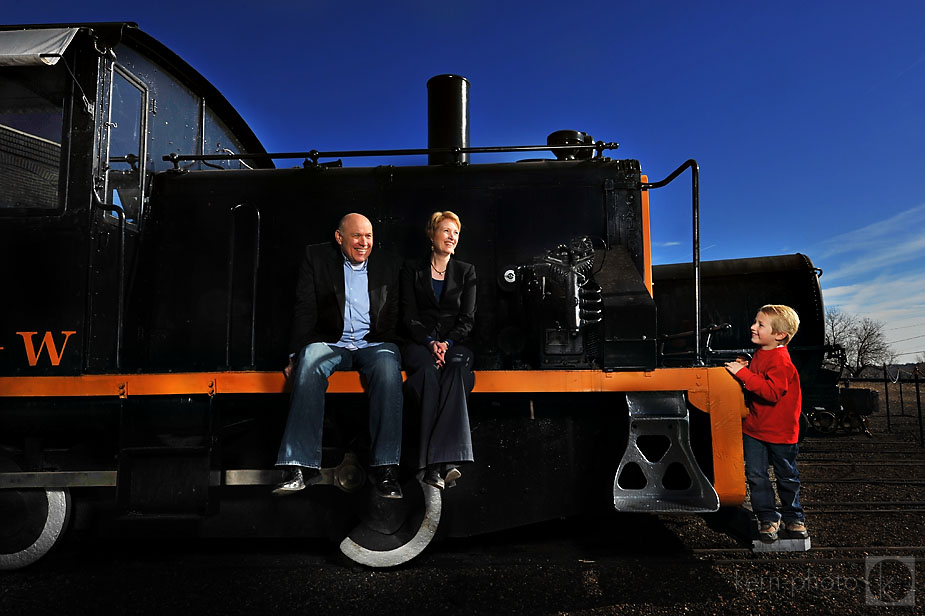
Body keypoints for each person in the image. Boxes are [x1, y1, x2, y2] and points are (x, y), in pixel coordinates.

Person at [274, 213, 404, 499]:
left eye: (369, 236)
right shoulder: (317, 257)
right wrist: (296, 353)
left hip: (372, 344)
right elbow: (305, 307)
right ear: (339, 237)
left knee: (387, 365)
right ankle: (299, 467)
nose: (364, 242)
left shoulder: (388, 263)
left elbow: (393, 312)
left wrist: (390, 343)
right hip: (332, 342)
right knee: (309, 360)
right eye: (357, 236)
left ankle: (386, 470)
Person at [400, 211, 476, 489]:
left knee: (456, 371)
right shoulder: (413, 269)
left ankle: (433, 466)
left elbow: (467, 319)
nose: (451, 237)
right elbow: (409, 315)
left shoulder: (466, 271)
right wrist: (430, 342)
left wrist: (447, 344)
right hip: (420, 344)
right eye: (446, 231)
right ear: (431, 235)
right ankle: (446, 464)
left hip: (456, 345)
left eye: (455, 233)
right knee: (428, 376)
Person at [725, 304, 808, 542]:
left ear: (780, 335)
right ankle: (768, 519)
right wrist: (748, 367)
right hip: (755, 429)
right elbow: (758, 379)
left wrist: (743, 373)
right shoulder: (761, 353)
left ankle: (794, 518)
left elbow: (771, 392)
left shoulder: (781, 361)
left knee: (786, 476)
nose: (753, 326)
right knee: (756, 476)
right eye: (755, 322)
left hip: (780, 432)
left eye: (760, 325)